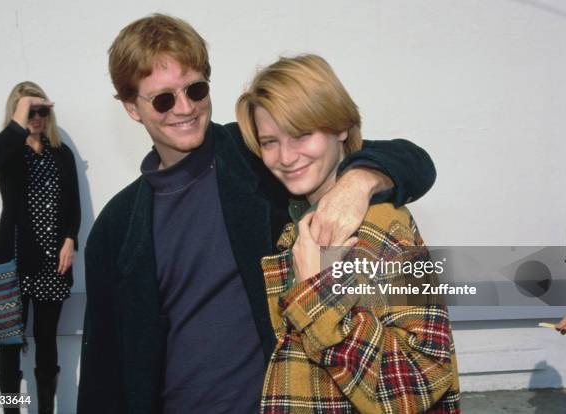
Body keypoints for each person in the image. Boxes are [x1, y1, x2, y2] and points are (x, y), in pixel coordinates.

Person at [77, 14, 437, 413]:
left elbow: (412, 160)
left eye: (195, 89)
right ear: (132, 108)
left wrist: (358, 182)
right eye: (163, 99)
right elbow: (104, 368)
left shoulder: (259, 156)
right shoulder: (117, 226)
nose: (185, 108)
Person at [236, 54, 460, 413]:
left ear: (340, 126)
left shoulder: (384, 224)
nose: (286, 156)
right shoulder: (293, 217)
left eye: (302, 134)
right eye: (269, 142)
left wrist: (317, 295)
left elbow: (423, 376)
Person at [0, 81, 80, 414]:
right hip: (14, 258)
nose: (37, 117)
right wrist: (21, 112)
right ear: (17, 111)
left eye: (42, 111)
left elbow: (73, 204)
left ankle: (45, 410)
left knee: (47, 339)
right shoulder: (3, 146)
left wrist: (70, 240)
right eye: (30, 110)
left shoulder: (60, 153)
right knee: (10, 342)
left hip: (53, 262)